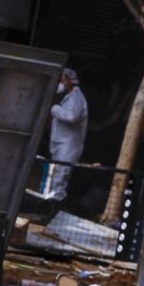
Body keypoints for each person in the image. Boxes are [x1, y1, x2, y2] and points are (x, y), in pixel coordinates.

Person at [41, 67, 88, 201]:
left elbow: (72, 117)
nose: (60, 82)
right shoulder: (69, 97)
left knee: (60, 177)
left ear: (68, 79)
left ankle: (54, 206)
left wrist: (54, 109)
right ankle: (49, 203)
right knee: (55, 175)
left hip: (69, 145)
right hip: (61, 143)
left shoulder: (77, 98)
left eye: (62, 79)